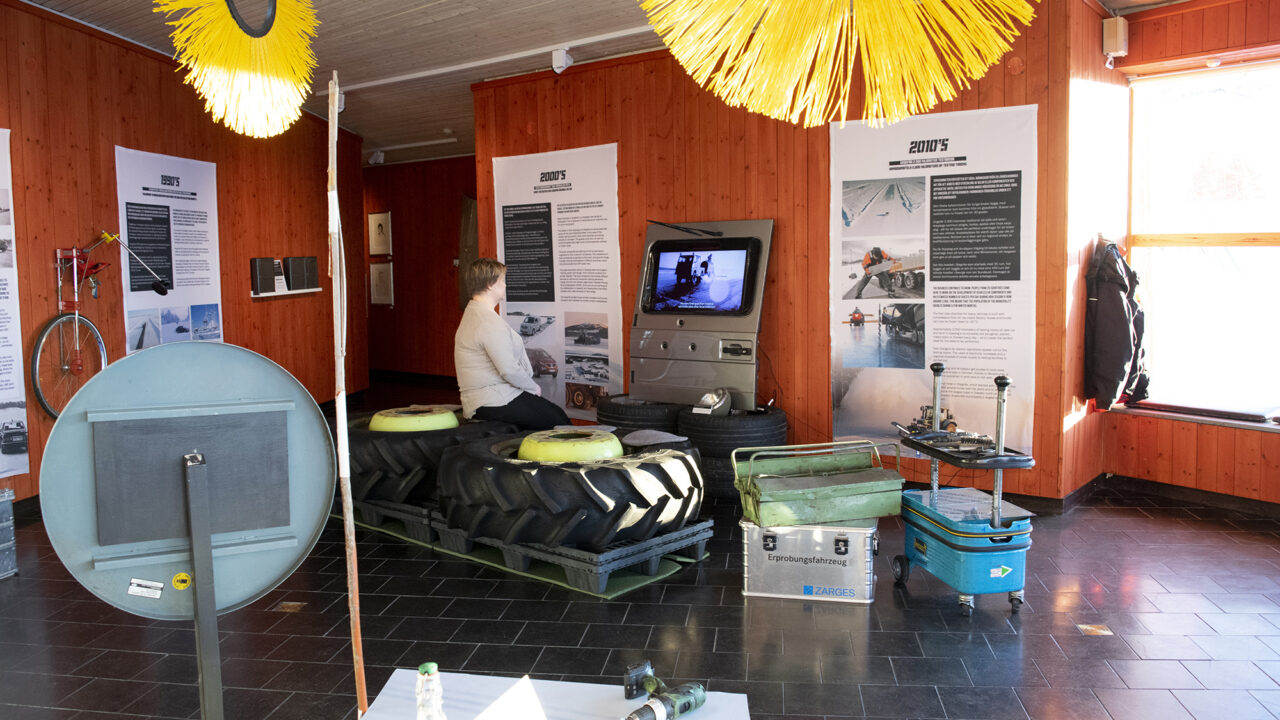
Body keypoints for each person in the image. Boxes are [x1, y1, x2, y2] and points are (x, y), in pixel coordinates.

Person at [455, 258, 571, 430]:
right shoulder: (486, 322)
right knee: (559, 422)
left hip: (485, 399)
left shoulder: (474, 314)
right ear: (490, 284)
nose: (505, 285)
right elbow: (508, 369)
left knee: (554, 413)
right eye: (502, 281)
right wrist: (533, 388)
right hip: (492, 400)